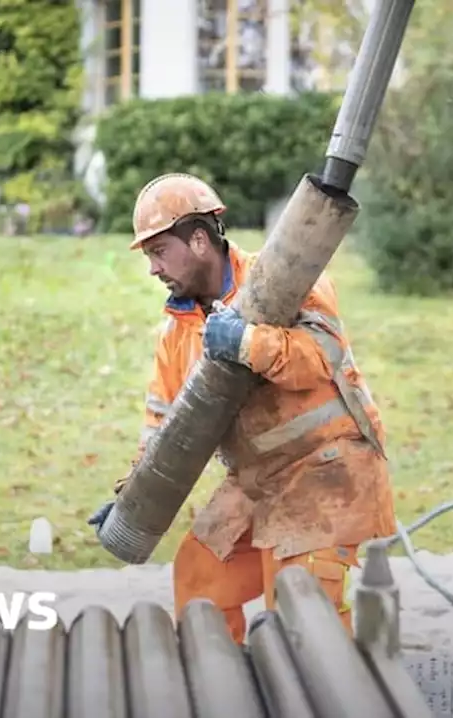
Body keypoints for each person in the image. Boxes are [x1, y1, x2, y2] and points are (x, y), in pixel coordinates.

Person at [87, 173, 398, 644]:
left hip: (327, 471)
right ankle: (223, 685)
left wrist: (245, 341)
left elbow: (319, 360)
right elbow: (162, 427)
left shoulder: (285, 277)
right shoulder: (176, 333)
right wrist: (132, 496)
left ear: (197, 240)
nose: (153, 268)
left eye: (158, 251)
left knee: (301, 611)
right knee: (199, 575)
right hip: (258, 484)